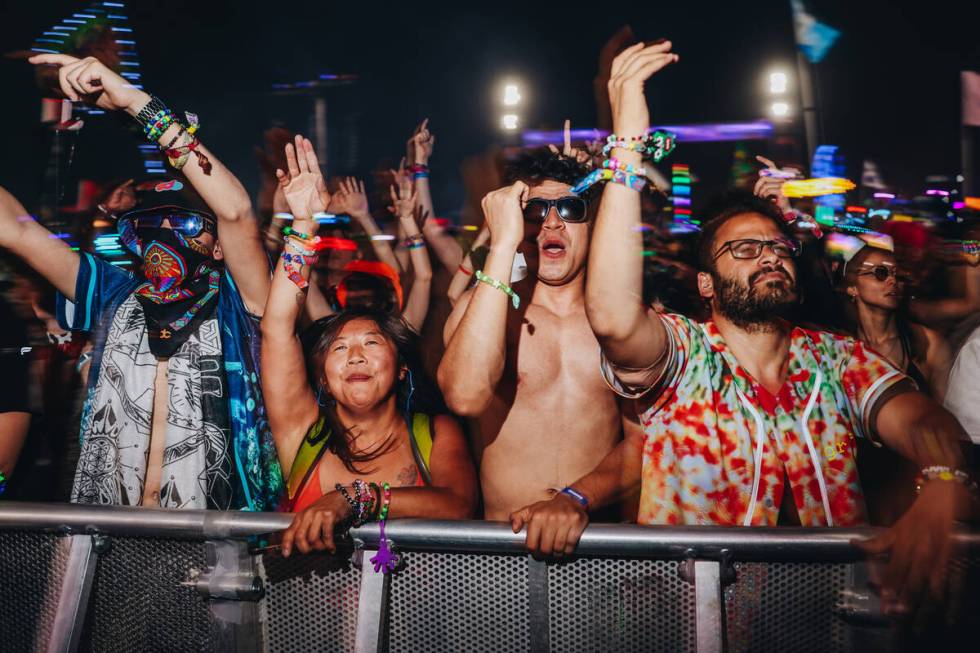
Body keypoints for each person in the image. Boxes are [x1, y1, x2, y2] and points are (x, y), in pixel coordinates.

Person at [512, 41, 975, 614]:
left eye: (778, 247)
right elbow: (610, 316)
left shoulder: (836, 360)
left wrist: (944, 479)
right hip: (691, 623)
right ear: (706, 283)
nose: (769, 257)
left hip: (823, 625)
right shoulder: (683, 356)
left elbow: (923, 418)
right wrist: (628, 140)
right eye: (746, 248)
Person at [7, 54, 282, 510]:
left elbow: (234, 210)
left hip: (216, 543)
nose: (165, 237)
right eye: (148, 227)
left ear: (220, 248)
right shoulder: (112, 293)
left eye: (188, 226)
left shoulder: (243, 304)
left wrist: (135, 101)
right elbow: (16, 230)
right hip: (108, 536)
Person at [260, 136, 476, 557]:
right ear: (321, 373)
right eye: (339, 349)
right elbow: (277, 328)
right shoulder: (302, 430)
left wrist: (355, 498)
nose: (355, 355)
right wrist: (303, 226)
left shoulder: (434, 434)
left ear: (400, 367)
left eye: (371, 343)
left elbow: (459, 505)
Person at [438, 147, 642, 521]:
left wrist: (576, 498)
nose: (551, 223)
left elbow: (642, 444)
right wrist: (502, 244)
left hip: (599, 546)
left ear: (592, 223)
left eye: (570, 209)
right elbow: (465, 397)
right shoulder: (484, 309)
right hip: (506, 549)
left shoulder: (622, 319)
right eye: (534, 211)